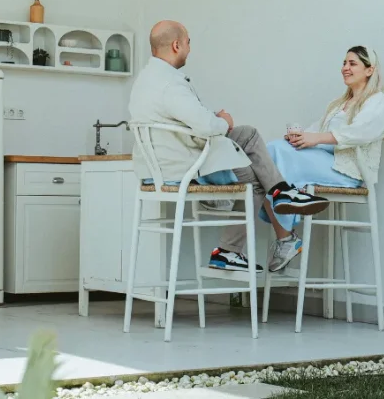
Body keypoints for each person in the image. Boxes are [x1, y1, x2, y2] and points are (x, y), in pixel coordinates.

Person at [128, 20, 330, 273]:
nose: (190, 49)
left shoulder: (147, 79)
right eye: (189, 43)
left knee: (247, 140)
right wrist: (222, 121)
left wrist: (214, 120)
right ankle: (236, 243)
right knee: (251, 163)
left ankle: (279, 196)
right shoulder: (170, 83)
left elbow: (184, 120)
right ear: (177, 45)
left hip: (160, 164)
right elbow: (205, 127)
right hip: (183, 166)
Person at [260, 46, 384, 273]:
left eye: (352, 64)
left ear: (369, 70)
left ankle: (286, 238)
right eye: (344, 63)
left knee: (271, 157)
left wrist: (315, 139)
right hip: (326, 162)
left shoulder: (378, 101)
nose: (345, 68)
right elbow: (317, 130)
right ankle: (285, 237)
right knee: (271, 152)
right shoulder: (338, 104)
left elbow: (360, 133)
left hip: (348, 171)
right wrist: (300, 138)